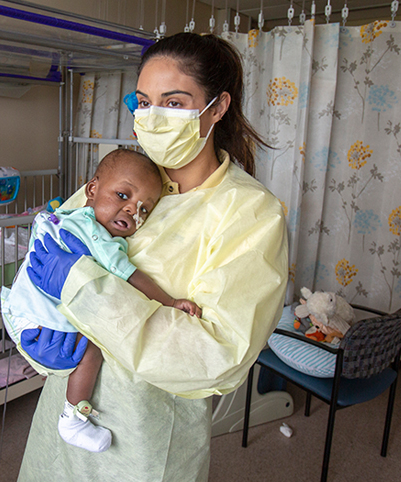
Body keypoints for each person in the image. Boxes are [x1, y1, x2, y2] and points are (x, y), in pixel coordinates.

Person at [17, 33, 289, 481]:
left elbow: (218, 354)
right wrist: (30, 331)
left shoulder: (250, 213)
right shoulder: (128, 176)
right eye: (143, 101)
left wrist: (85, 289)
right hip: (63, 410)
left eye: (174, 102)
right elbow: (45, 256)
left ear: (217, 108)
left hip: (145, 436)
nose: (152, 117)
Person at [1, 149, 201, 453]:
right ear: (92, 190)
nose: (132, 211)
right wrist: (169, 301)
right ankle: (73, 418)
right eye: (122, 195)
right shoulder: (100, 240)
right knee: (92, 350)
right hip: (43, 332)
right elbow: (133, 277)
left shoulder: (66, 217)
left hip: (17, 314)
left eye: (143, 210)